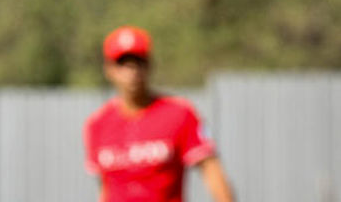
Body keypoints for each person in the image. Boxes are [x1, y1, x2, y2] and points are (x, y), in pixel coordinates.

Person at [83, 26, 236, 202]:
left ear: (149, 65)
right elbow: (105, 188)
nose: (131, 71)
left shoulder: (179, 113)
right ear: (109, 69)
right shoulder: (97, 124)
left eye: (138, 61)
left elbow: (212, 171)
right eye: (122, 63)